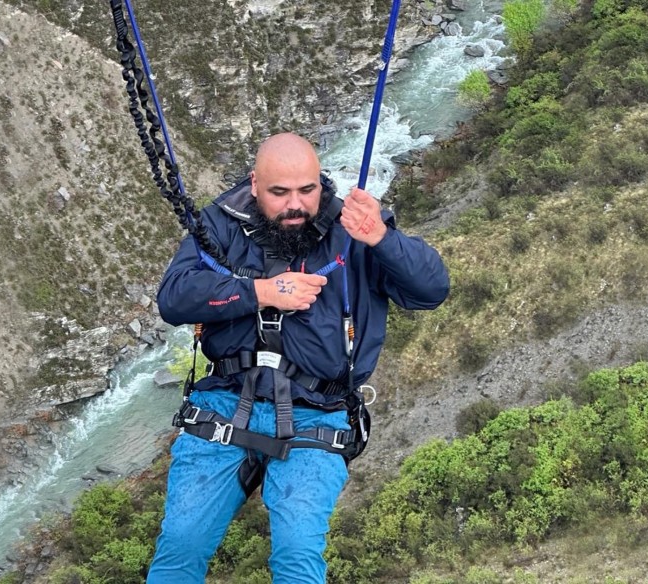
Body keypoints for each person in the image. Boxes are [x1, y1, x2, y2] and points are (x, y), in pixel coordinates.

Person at [146, 133, 449, 583]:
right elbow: (174, 298)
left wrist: (383, 239)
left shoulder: (354, 228)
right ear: (254, 185)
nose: (296, 205)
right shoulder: (222, 224)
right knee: (181, 544)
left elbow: (431, 290)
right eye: (280, 192)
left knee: (297, 553)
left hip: (318, 410)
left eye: (307, 190)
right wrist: (261, 293)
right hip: (227, 399)